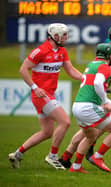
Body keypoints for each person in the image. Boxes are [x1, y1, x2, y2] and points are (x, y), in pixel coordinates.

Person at [8, 23, 83, 170]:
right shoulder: (40, 51)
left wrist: (86, 78)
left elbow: (71, 70)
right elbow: (23, 69)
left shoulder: (62, 51)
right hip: (41, 95)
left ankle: (17, 154)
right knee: (65, 121)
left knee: (47, 132)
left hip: (49, 94)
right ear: (55, 36)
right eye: (64, 35)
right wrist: (35, 88)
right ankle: (53, 156)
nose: (67, 38)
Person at [58, 25, 111, 168]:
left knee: (92, 130)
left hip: (94, 95)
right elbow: (106, 76)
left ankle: (68, 157)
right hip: (95, 95)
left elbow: (109, 76)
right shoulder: (107, 52)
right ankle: (90, 156)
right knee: (106, 128)